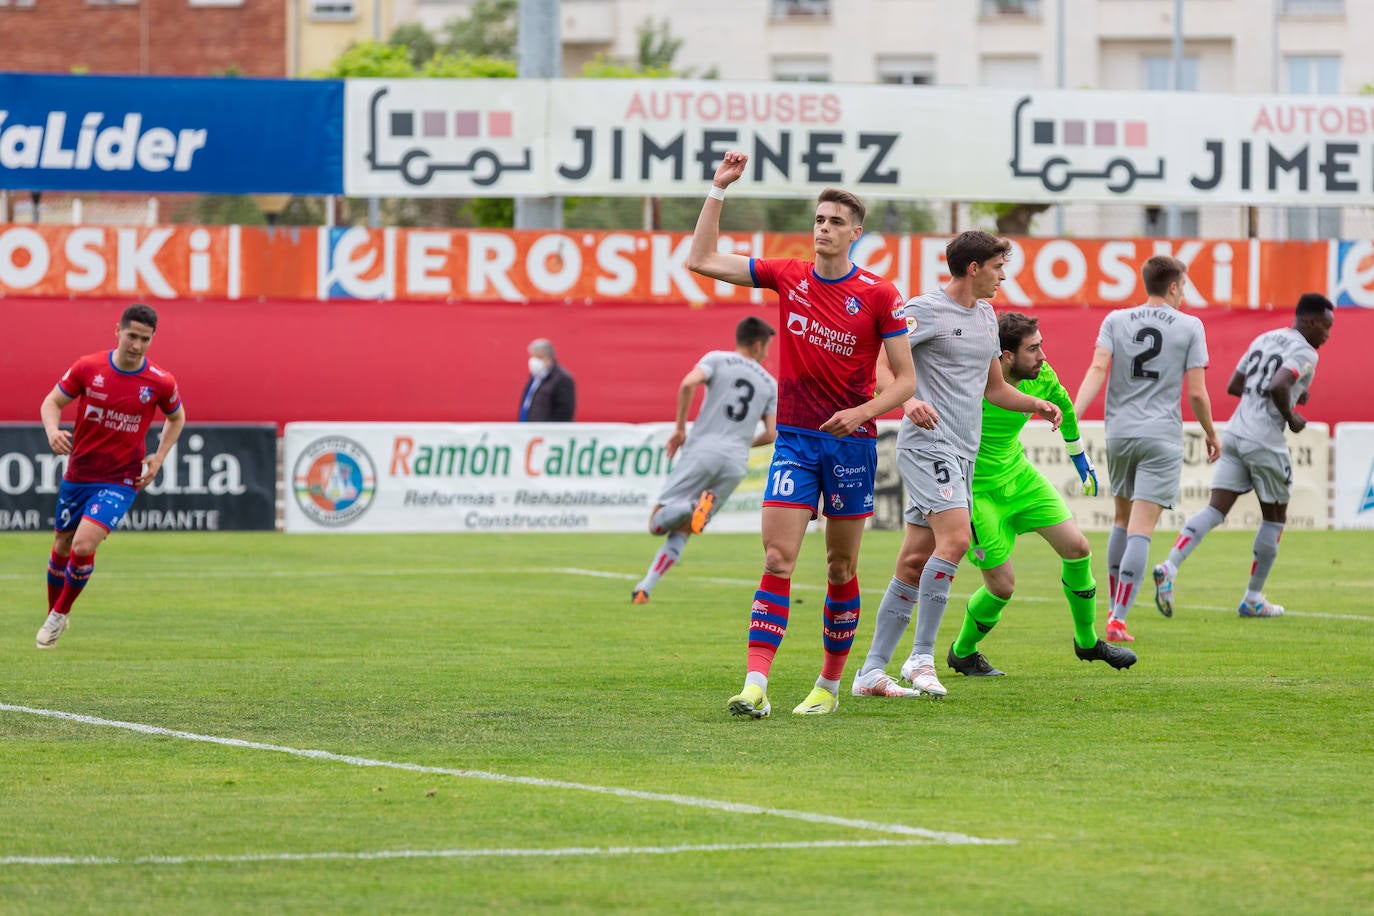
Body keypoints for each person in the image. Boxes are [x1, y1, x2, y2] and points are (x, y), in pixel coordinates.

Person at [687, 149, 918, 718]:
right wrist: (719, 189)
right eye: (819, 220)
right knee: (777, 558)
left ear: (856, 233)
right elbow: (701, 259)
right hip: (793, 437)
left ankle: (828, 686)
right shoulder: (788, 275)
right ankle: (756, 685)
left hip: (850, 446)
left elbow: (906, 382)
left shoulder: (880, 294)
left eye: (836, 222)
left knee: (840, 568)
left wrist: (862, 414)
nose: (824, 229)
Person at [851, 231, 1063, 700]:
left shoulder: (987, 316)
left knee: (913, 561)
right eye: (997, 267)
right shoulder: (925, 310)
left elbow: (994, 390)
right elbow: (882, 367)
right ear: (974, 268)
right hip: (929, 446)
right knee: (957, 540)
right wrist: (907, 405)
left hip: (962, 452)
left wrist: (1034, 403)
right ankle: (922, 658)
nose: (1002, 276)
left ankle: (870, 672)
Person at [942, 312, 1136, 677]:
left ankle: (1087, 641)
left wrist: (1080, 461)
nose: (1043, 356)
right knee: (1002, 586)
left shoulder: (1042, 377)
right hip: (975, 491)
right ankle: (962, 652)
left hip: (1020, 476)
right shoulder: (971, 379)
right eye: (1033, 349)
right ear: (1006, 356)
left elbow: (1064, 406)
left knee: (1077, 547)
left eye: (1041, 345)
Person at [1153, 293, 1334, 619]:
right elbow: (1279, 384)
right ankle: (1252, 599)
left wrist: (1289, 391)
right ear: (1309, 321)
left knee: (1214, 510)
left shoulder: (1265, 337)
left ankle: (1169, 567)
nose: (1327, 334)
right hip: (1265, 440)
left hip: (1236, 433)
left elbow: (1236, 385)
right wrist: (1290, 415)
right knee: (1275, 519)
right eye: (1325, 325)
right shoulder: (1305, 351)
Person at [1072, 254, 1221, 643]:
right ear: (1172, 286)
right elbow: (1197, 393)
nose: (1185, 294)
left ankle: (1111, 608)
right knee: (1142, 528)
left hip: (1119, 433)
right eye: (1184, 286)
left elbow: (1097, 370)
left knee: (1121, 520)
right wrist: (1210, 432)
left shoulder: (1115, 320)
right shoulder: (1190, 326)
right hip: (1161, 436)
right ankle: (1118, 619)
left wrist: (1072, 414)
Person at [35, 303, 186, 649]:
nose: (136, 344)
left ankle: (59, 613)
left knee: (83, 544)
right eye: (131, 335)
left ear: (152, 339)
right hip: (80, 473)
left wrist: (159, 456)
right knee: (60, 546)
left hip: (120, 478)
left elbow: (177, 418)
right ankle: (54, 614)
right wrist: (52, 431)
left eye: (144, 339)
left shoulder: (160, 382)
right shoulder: (89, 368)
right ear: (117, 330)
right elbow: (51, 403)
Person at [631, 316, 779, 604]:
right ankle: (645, 588)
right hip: (735, 463)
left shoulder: (717, 359)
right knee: (687, 528)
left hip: (702, 451)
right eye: (767, 347)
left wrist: (679, 428)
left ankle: (688, 505)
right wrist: (741, 441)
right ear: (758, 344)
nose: (767, 354)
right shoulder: (770, 384)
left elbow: (688, 384)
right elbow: (772, 432)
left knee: (656, 523)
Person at [518, 338, 576, 422]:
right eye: (532, 356)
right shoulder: (536, 377)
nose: (533, 361)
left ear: (549, 357)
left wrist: (549, 430)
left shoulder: (562, 379)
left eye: (538, 357)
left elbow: (564, 412)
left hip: (546, 432)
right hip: (530, 430)